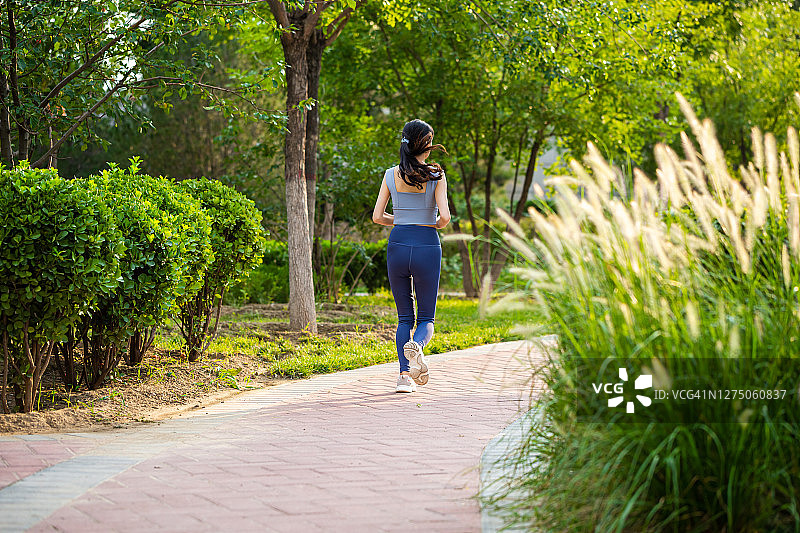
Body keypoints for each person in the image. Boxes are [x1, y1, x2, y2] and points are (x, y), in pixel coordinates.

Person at [372, 119, 451, 393]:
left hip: (398, 245)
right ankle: (417, 345)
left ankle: (404, 378)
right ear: (423, 145)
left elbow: (377, 216)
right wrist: (426, 221)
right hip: (427, 246)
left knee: (404, 317)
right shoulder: (437, 176)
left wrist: (402, 219)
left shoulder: (389, 174)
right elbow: (445, 219)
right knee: (426, 318)